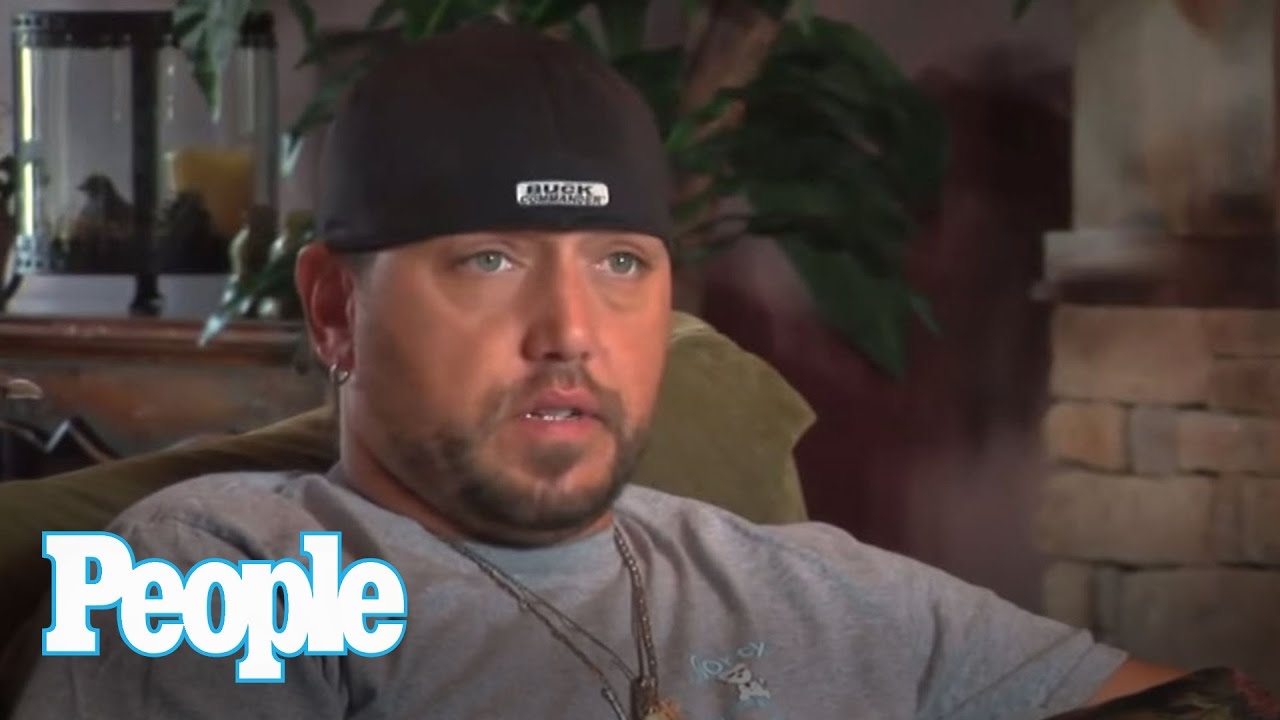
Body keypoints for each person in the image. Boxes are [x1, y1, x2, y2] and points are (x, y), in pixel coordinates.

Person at [12, 21, 1191, 720]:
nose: (569, 330)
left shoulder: (816, 588)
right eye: (487, 259)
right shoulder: (218, 572)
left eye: (619, 262)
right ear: (335, 310)